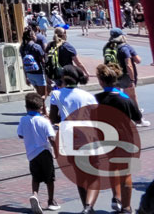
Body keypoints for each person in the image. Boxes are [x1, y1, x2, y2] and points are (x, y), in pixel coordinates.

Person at [48, 66, 99, 213]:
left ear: (63, 78)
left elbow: (53, 118)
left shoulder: (56, 95)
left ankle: (85, 207)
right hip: (87, 135)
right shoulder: (88, 96)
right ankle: (89, 207)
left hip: (68, 136)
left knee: (80, 174)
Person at [97, 62, 143, 214]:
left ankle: (116, 198)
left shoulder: (96, 99)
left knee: (112, 169)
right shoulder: (125, 98)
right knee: (126, 172)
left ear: (101, 81)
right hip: (126, 140)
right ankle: (126, 207)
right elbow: (137, 118)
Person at [18, 91, 59, 214]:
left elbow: (20, 135)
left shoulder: (23, 120)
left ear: (26, 107)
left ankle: (35, 195)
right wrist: (56, 151)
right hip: (44, 151)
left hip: (31, 154)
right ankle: (51, 201)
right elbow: (52, 138)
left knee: (35, 176)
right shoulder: (44, 121)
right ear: (41, 108)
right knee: (50, 178)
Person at [105, 28, 150, 125]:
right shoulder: (125, 47)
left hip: (113, 75)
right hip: (125, 75)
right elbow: (134, 62)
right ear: (122, 36)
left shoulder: (108, 47)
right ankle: (139, 119)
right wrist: (132, 79)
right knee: (132, 97)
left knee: (118, 96)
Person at [20, 27, 48, 98]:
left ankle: (42, 109)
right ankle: (40, 108)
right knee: (43, 95)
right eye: (35, 35)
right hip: (39, 73)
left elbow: (23, 63)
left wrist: (26, 77)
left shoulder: (22, 47)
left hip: (30, 74)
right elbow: (43, 62)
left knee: (39, 93)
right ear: (32, 36)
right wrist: (47, 75)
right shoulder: (36, 47)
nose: (36, 37)